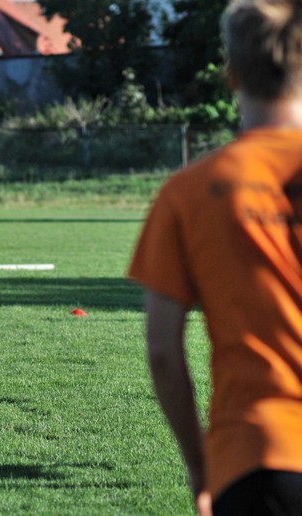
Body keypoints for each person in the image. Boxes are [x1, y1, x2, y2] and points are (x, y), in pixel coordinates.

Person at [128, 1, 302, 514]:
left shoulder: (189, 192)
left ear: (231, 74)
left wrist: (200, 465)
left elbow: (163, 350)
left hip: (257, 459)